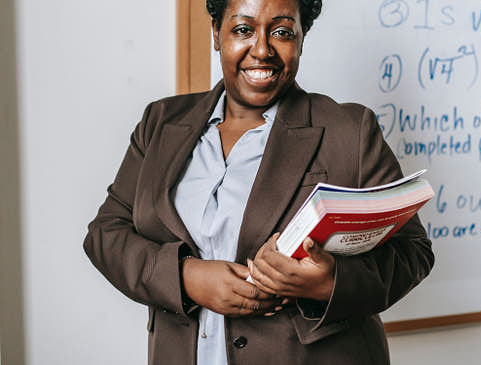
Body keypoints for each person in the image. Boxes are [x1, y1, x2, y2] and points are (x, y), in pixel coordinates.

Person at [83, 0, 434, 363]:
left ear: (302, 37)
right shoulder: (160, 123)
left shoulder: (349, 131)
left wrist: (329, 282)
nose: (263, 49)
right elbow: (106, 234)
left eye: (282, 32)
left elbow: (414, 253)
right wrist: (187, 278)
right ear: (216, 33)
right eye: (243, 29)